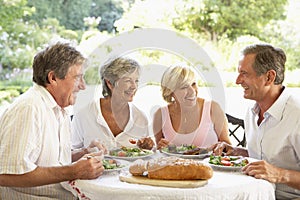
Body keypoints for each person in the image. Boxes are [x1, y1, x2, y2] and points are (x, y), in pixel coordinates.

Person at [0, 42, 104, 200]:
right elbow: (6, 174)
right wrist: (73, 171)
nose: (83, 86)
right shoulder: (29, 108)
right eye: (78, 78)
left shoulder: (59, 109)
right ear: (53, 78)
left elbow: (48, 159)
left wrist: (82, 154)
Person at [212, 44, 300, 199]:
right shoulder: (252, 112)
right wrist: (238, 151)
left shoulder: (296, 115)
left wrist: (280, 175)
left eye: (244, 74)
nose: (238, 80)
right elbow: (268, 158)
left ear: (269, 77)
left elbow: (274, 169)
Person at [72, 57, 154, 153]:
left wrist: (147, 148)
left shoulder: (140, 118)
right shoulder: (84, 115)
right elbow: (70, 155)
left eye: (136, 81)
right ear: (110, 83)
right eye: (128, 80)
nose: (134, 86)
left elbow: (144, 158)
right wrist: (85, 151)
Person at [153, 65, 231, 150]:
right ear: (170, 91)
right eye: (184, 87)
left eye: (193, 84)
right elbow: (158, 151)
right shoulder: (160, 115)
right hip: (175, 163)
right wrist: (160, 147)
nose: (192, 91)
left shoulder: (213, 109)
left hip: (208, 163)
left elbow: (228, 148)